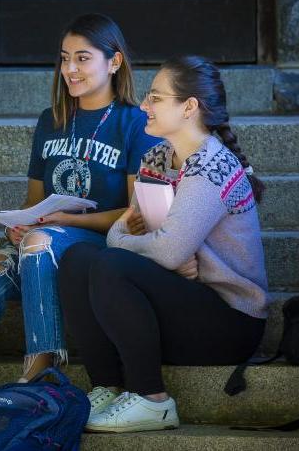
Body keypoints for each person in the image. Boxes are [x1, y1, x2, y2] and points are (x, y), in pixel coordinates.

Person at [0, 13, 161, 430]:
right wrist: (18, 227)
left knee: (40, 241)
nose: (70, 70)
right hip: (45, 243)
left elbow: (136, 214)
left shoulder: (134, 123)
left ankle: (39, 372)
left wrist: (53, 223)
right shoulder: (51, 119)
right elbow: (34, 204)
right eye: (64, 59)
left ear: (114, 63)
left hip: (97, 252)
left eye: (82, 58)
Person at [58, 56, 270, 433]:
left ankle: (152, 400)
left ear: (189, 107)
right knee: (77, 259)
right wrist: (153, 250)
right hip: (179, 303)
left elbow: (161, 249)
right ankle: (107, 386)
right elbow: (154, 244)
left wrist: (129, 242)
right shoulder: (156, 158)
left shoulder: (212, 165)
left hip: (228, 321)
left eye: (155, 98)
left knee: (110, 263)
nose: (143, 106)